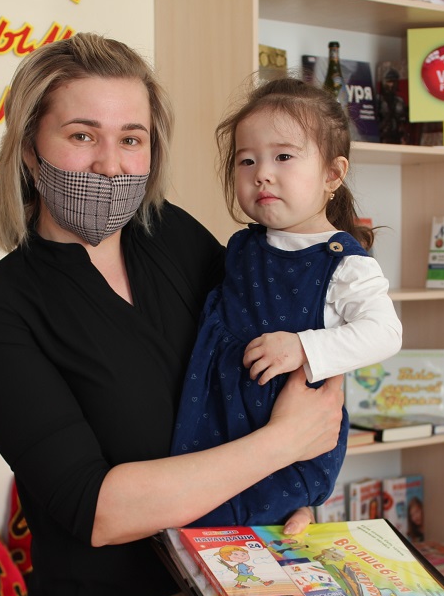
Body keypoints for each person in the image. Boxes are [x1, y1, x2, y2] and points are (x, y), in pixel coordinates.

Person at [0, 33, 345, 596]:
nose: (111, 165)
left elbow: (283, 357)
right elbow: (97, 509)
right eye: (83, 135)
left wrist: (297, 495)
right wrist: (283, 444)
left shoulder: (176, 238)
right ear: (28, 147)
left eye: (131, 139)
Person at [171, 77, 402, 527]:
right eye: (247, 160)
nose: (261, 173)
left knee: (252, 535)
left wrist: (302, 347)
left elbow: (386, 333)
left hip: (288, 437)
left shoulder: (343, 263)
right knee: (195, 525)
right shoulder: (242, 247)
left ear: (333, 174)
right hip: (214, 418)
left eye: (283, 157)